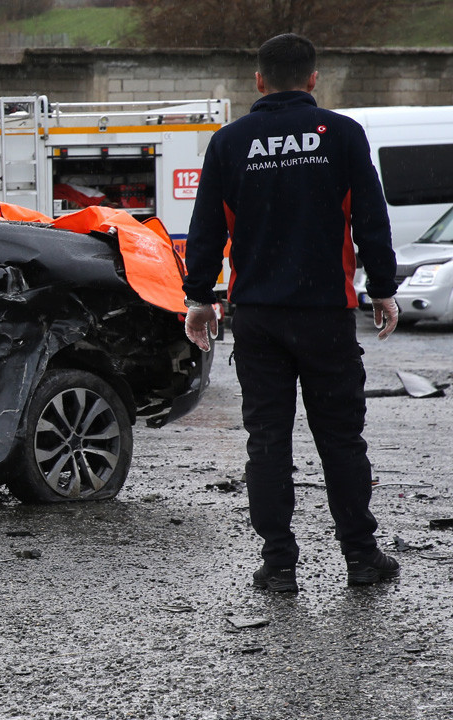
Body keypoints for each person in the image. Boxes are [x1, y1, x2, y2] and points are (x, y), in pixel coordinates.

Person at [181, 33, 401, 593]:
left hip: (258, 317)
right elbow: (370, 219)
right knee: (342, 439)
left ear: (258, 81)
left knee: (268, 440)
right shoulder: (344, 135)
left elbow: (206, 227)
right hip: (325, 313)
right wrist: (381, 287)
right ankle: (360, 557)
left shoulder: (229, 143)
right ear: (313, 79)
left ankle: (278, 563)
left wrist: (198, 297)